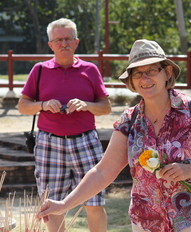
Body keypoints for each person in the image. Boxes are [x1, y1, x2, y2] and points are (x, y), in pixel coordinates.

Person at [37, 39, 191, 232]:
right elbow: (103, 171)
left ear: (167, 72)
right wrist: (64, 204)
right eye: (138, 73)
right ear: (131, 80)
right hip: (146, 223)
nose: (145, 79)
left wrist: (188, 170)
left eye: (152, 70)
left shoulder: (188, 111)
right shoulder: (130, 119)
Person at [18, 18, 111, 232]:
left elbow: (105, 108)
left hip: (86, 141)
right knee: (51, 204)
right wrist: (42, 104)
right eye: (58, 40)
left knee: (94, 203)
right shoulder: (39, 70)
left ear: (76, 42)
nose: (64, 44)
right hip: (49, 143)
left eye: (68, 39)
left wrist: (86, 105)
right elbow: (23, 106)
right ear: (50, 44)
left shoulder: (90, 69)